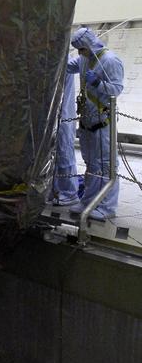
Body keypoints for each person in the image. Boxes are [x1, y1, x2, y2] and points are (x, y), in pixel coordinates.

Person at [68, 26, 124, 221]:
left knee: (105, 165)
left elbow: (116, 90)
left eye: (81, 48)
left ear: (89, 44)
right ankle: (89, 201)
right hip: (87, 121)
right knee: (92, 164)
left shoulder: (110, 61)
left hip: (102, 122)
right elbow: (68, 66)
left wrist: (98, 84)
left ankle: (107, 207)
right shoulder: (84, 59)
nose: (80, 53)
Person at [52, 55, 79, 206]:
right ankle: (56, 190)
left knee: (64, 153)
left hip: (63, 116)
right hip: (57, 116)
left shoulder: (62, 63)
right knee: (54, 155)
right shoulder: (56, 60)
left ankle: (69, 192)